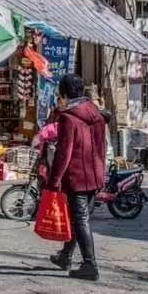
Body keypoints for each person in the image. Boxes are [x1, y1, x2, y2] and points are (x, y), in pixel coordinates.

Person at [47, 74, 107, 281]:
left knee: (80, 219)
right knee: (77, 218)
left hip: (77, 177)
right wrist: (102, 174)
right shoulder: (96, 114)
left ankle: (90, 265)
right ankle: (65, 256)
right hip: (95, 175)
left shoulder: (69, 118)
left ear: (64, 94)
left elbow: (64, 153)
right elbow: (103, 147)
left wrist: (53, 181)